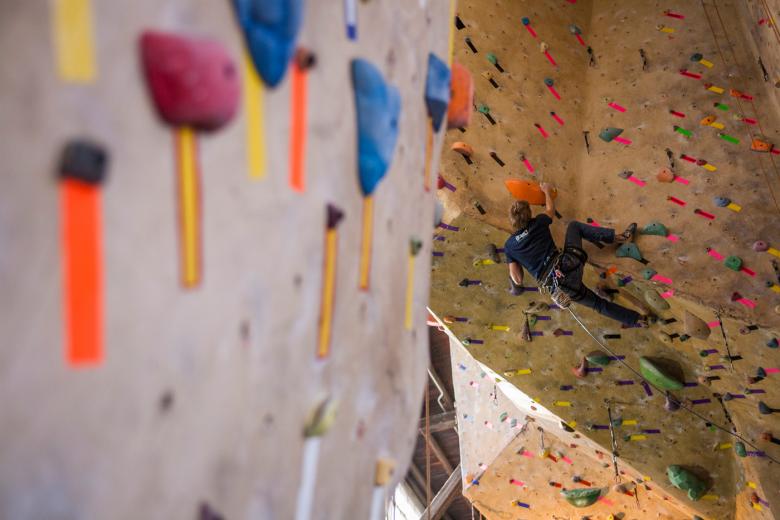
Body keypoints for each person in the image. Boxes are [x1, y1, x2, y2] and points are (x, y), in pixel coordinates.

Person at [504, 182, 647, 327]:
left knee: (598, 305)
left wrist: (515, 259)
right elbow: (550, 210)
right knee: (574, 226)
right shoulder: (538, 222)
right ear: (529, 215)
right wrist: (546, 191)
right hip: (570, 263)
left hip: (561, 288)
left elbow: (518, 280)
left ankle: (637, 320)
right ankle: (620, 238)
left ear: (512, 222)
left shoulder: (509, 246)